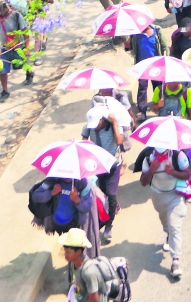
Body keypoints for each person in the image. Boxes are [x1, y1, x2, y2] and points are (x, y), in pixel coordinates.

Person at [139, 143, 191, 278]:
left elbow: (187, 174)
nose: (161, 156)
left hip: (175, 196)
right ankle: (168, 234)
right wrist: (152, 169)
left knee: (175, 227)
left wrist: (171, 172)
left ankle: (175, 262)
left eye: (164, 153)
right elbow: (143, 182)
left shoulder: (178, 155)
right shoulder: (148, 158)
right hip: (158, 196)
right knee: (166, 224)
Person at [82, 96, 127, 241]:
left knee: (110, 195)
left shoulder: (114, 125)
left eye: (97, 123)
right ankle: (114, 206)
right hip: (98, 166)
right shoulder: (88, 127)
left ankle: (108, 226)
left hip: (113, 165)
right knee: (102, 194)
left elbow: (120, 141)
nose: (95, 127)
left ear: (102, 119)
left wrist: (114, 122)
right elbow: (84, 143)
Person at [59, 229, 117, 302]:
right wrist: (74, 298)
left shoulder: (89, 272)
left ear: (78, 252)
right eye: (65, 251)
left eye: (68, 252)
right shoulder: (73, 263)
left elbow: (94, 300)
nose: (65, 255)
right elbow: (77, 285)